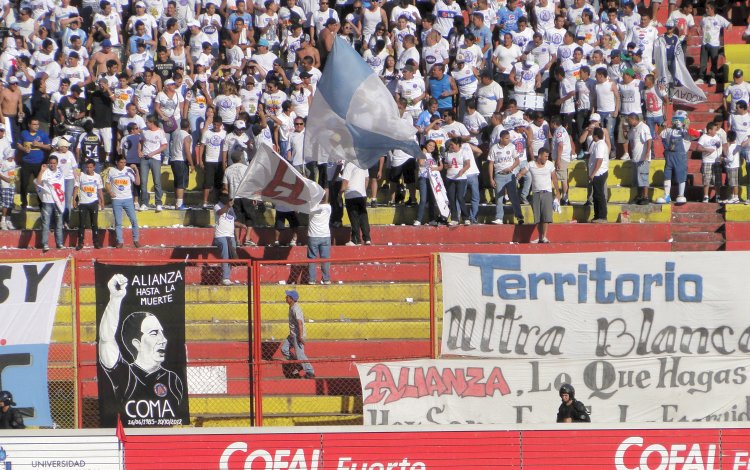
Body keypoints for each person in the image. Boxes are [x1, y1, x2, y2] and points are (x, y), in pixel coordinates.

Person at [99, 274, 185, 408]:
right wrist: (116, 299)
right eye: (154, 333)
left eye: (162, 333)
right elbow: (106, 339)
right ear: (137, 344)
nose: (164, 340)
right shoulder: (126, 375)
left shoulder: (172, 379)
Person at [107, 156, 141, 248]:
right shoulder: (111, 171)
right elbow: (107, 183)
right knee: (118, 222)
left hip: (128, 199)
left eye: (124, 162)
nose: (123, 164)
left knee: (134, 220)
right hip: (117, 199)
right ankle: (120, 241)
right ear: (117, 162)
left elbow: (137, 182)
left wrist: (136, 170)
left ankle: (136, 240)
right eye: (121, 162)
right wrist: (110, 192)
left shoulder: (129, 170)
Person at [281, 290, 315, 379]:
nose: (286, 298)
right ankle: (298, 363)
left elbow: (300, 322)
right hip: (292, 334)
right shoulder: (291, 306)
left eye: (287, 297)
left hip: (297, 335)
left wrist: (300, 336)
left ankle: (310, 372)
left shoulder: (296, 308)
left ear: (291, 299)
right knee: (284, 349)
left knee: (300, 354)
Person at [529, 148, 559, 244]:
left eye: (548, 156)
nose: (547, 158)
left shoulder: (550, 164)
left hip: (547, 192)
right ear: (540, 155)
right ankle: (540, 236)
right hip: (536, 193)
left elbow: (554, 178)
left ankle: (544, 237)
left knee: (546, 216)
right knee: (538, 217)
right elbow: (522, 172)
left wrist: (558, 192)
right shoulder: (531, 164)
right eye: (545, 156)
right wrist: (517, 177)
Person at [36, 155, 65, 252]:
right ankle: (45, 244)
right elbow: (38, 183)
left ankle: (59, 243)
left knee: (59, 223)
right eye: (51, 163)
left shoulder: (60, 173)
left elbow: (61, 188)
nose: (52, 165)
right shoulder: (45, 172)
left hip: (58, 202)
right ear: (48, 163)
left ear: (57, 164)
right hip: (47, 201)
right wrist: (41, 170)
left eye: (54, 163)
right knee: (46, 223)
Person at [73, 159, 105, 250]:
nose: (89, 169)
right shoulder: (81, 176)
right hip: (83, 202)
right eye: (87, 167)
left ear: (94, 167)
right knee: (81, 224)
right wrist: (74, 199)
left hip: (93, 202)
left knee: (94, 224)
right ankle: (80, 243)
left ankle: (96, 242)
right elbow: (76, 188)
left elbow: (99, 190)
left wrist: (102, 201)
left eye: (91, 167)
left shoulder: (97, 176)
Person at [341, 161, 372, 245]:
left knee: (354, 217)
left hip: (351, 194)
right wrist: (363, 190)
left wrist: (340, 192)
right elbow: (367, 179)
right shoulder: (364, 163)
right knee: (363, 216)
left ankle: (356, 239)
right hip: (361, 194)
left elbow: (345, 182)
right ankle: (367, 238)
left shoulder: (349, 164)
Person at [627, 113, 653, 205]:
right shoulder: (632, 129)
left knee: (643, 178)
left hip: (642, 158)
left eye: (629, 120)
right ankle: (639, 196)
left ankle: (645, 197)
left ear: (634, 119)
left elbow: (649, 140)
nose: (628, 122)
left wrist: (647, 154)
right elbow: (629, 139)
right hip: (635, 158)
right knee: (637, 179)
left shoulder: (643, 127)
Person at [214, 193, 238, 286]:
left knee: (232, 256)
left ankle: (226, 276)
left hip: (231, 236)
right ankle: (225, 278)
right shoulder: (217, 206)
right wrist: (228, 206)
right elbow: (220, 212)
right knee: (225, 255)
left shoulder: (231, 208)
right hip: (220, 235)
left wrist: (242, 225)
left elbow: (233, 221)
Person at [588, 127, 609, 223]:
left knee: (599, 194)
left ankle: (602, 216)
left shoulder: (600, 145)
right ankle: (597, 215)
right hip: (597, 173)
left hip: (599, 173)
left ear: (596, 136)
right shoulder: (597, 144)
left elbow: (599, 160)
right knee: (596, 194)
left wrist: (593, 174)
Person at [307, 203, 332, 285]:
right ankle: (326, 279)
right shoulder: (328, 207)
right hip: (325, 235)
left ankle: (312, 279)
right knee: (325, 259)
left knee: (312, 258)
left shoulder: (311, 206)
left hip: (313, 236)